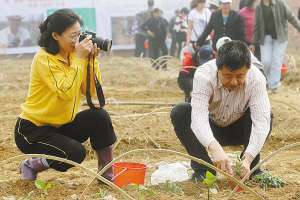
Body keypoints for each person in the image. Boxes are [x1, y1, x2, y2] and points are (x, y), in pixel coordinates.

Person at [14, 9, 117, 184]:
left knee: (100, 116)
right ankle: (31, 164)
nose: (78, 40)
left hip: (61, 126)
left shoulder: (74, 56)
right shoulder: (44, 59)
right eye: (72, 36)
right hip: (32, 130)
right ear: (55, 35)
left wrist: (91, 61)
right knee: (75, 153)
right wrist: (79, 58)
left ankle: (107, 177)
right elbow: (66, 92)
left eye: (80, 34)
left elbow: (89, 92)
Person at [171, 40, 273, 183]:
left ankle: (250, 168)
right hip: (210, 129)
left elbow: (261, 121)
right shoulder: (203, 75)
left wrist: (248, 158)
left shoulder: (256, 79)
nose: (234, 82)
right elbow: (198, 117)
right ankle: (203, 171)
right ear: (217, 69)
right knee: (181, 111)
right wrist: (214, 147)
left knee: (267, 115)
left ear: (248, 70)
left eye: (240, 76)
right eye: (228, 76)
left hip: (238, 130)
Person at [249, 0, 300, 94]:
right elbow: (257, 26)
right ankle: (266, 82)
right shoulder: (259, 7)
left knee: (277, 61)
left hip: (280, 36)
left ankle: (274, 85)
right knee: (266, 61)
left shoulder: (280, 3)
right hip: (266, 37)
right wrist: (253, 43)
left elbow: (291, 17)